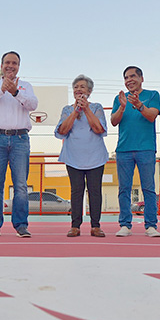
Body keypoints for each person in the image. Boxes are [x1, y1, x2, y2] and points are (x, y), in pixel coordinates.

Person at [0, 51, 38, 238]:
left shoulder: (26, 86)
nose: (11, 66)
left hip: (20, 139)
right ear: (1, 65)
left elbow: (33, 105)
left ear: (19, 66)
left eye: (15, 63)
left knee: (20, 184)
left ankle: (21, 225)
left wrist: (15, 92)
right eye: (7, 62)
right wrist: (2, 89)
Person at [54, 75, 109, 237]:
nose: (79, 89)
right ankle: (75, 226)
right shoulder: (67, 109)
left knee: (95, 191)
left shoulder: (97, 107)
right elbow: (62, 131)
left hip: (95, 156)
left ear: (89, 91)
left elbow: (99, 129)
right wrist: (75, 112)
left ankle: (95, 226)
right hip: (73, 156)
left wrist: (85, 109)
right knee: (76, 191)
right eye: (76, 87)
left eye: (82, 87)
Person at [110, 66, 160, 237]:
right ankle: (125, 225)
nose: (129, 80)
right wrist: (123, 107)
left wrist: (139, 105)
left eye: (132, 76)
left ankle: (151, 226)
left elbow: (152, 115)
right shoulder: (120, 98)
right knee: (124, 189)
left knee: (148, 188)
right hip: (124, 149)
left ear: (141, 78)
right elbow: (114, 121)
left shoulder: (152, 95)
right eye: (126, 77)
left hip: (146, 148)